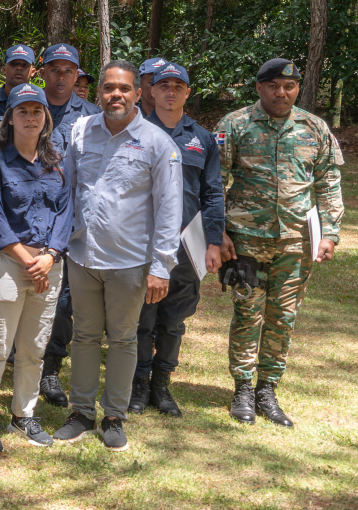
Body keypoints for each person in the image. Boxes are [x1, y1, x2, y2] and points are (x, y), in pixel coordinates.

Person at [51, 60, 182, 452]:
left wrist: (161, 266)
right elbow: (67, 188)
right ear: (98, 92)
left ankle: (114, 417)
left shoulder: (157, 143)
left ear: (138, 94)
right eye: (109, 88)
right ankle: (80, 413)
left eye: (124, 89)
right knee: (86, 335)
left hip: (130, 261)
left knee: (124, 338)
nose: (116, 95)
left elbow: (169, 209)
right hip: (83, 255)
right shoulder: (80, 131)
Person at [216, 58, 343, 428]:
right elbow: (215, 184)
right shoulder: (235, 125)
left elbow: (328, 185)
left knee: (282, 318)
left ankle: (267, 389)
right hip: (247, 243)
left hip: (295, 243)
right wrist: (218, 232)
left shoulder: (314, 128)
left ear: (297, 88)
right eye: (273, 86)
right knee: (247, 313)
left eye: (288, 86)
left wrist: (331, 233)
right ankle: (242, 388)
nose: (281, 92)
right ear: (259, 88)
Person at [0, 84, 72, 453]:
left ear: (46, 119)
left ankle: (23, 415)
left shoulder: (56, 164)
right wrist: (30, 261)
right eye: (23, 111)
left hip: (47, 267)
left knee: (33, 348)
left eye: (37, 111)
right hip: (7, 266)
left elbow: (65, 215)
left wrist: (48, 258)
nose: (30, 117)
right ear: (9, 118)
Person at [124, 63, 224, 418]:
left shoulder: (202, 138)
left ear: (187, 92)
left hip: (187, 243)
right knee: (140, 317)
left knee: (174, 318)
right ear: (150, 91)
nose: (169, 91)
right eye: (163, 85)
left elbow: (213, 194)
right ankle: (137, 384)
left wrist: (213, 242)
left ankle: (161, 385)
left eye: (177, 86)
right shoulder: (133, 132)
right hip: (141, 241)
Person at [36, 43, 102, 408]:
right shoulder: (27, 108)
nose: (61, 77)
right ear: (41, 71)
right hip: (30, 218)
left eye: (68, 71)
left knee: (64, 302)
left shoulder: (92, 117)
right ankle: (18, 362)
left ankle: (49, 369)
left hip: (73, 224)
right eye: (54, 69)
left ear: (78, 75)